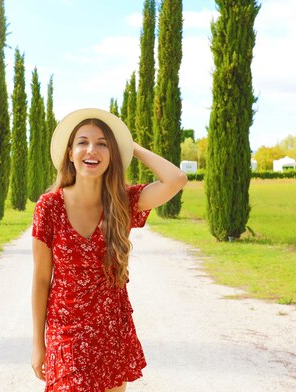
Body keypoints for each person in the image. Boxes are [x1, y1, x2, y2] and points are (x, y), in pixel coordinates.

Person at [31, 108, 187, 392]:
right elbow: (42, 280)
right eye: (83, 142)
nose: (92, 149)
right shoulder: (49, 207)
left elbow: (176, 179)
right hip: (66, 333)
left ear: (113, 153)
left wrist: (131, 146)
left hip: (111, 331)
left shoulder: (123, 202)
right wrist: (37, 344)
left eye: (103, 143)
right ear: (69, 153)